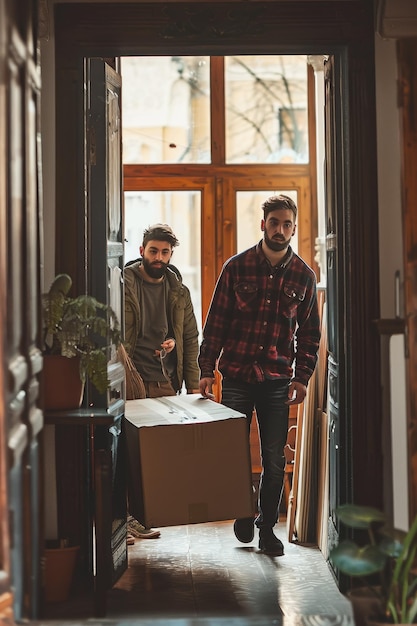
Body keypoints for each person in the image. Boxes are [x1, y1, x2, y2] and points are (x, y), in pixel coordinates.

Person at [198, 195, 321, 556]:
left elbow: (310, 335)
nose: (280, 230)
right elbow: (216, 322)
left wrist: (302, 378)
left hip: (278, 380)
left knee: (273, 457)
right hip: (235, 374)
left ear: (293, 228)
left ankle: (266, 528)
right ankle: (241, 509)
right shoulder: (236, 267)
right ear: (263, 224)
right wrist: (206, 370)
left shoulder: (303, 275)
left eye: (287, 224)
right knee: (233, 451)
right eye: (274, 222)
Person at [124, 223, 200, 540]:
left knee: (155, 456)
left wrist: (194, 386)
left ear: (171, 254)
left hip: (166, 379)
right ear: (142, 251)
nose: (158, 257)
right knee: (124, 453)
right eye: (153, 250)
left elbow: (191, 338)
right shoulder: (123, 283)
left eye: (164, 252)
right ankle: (122, 519)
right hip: (131, 378)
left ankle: (144, 516)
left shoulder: (178, 291)